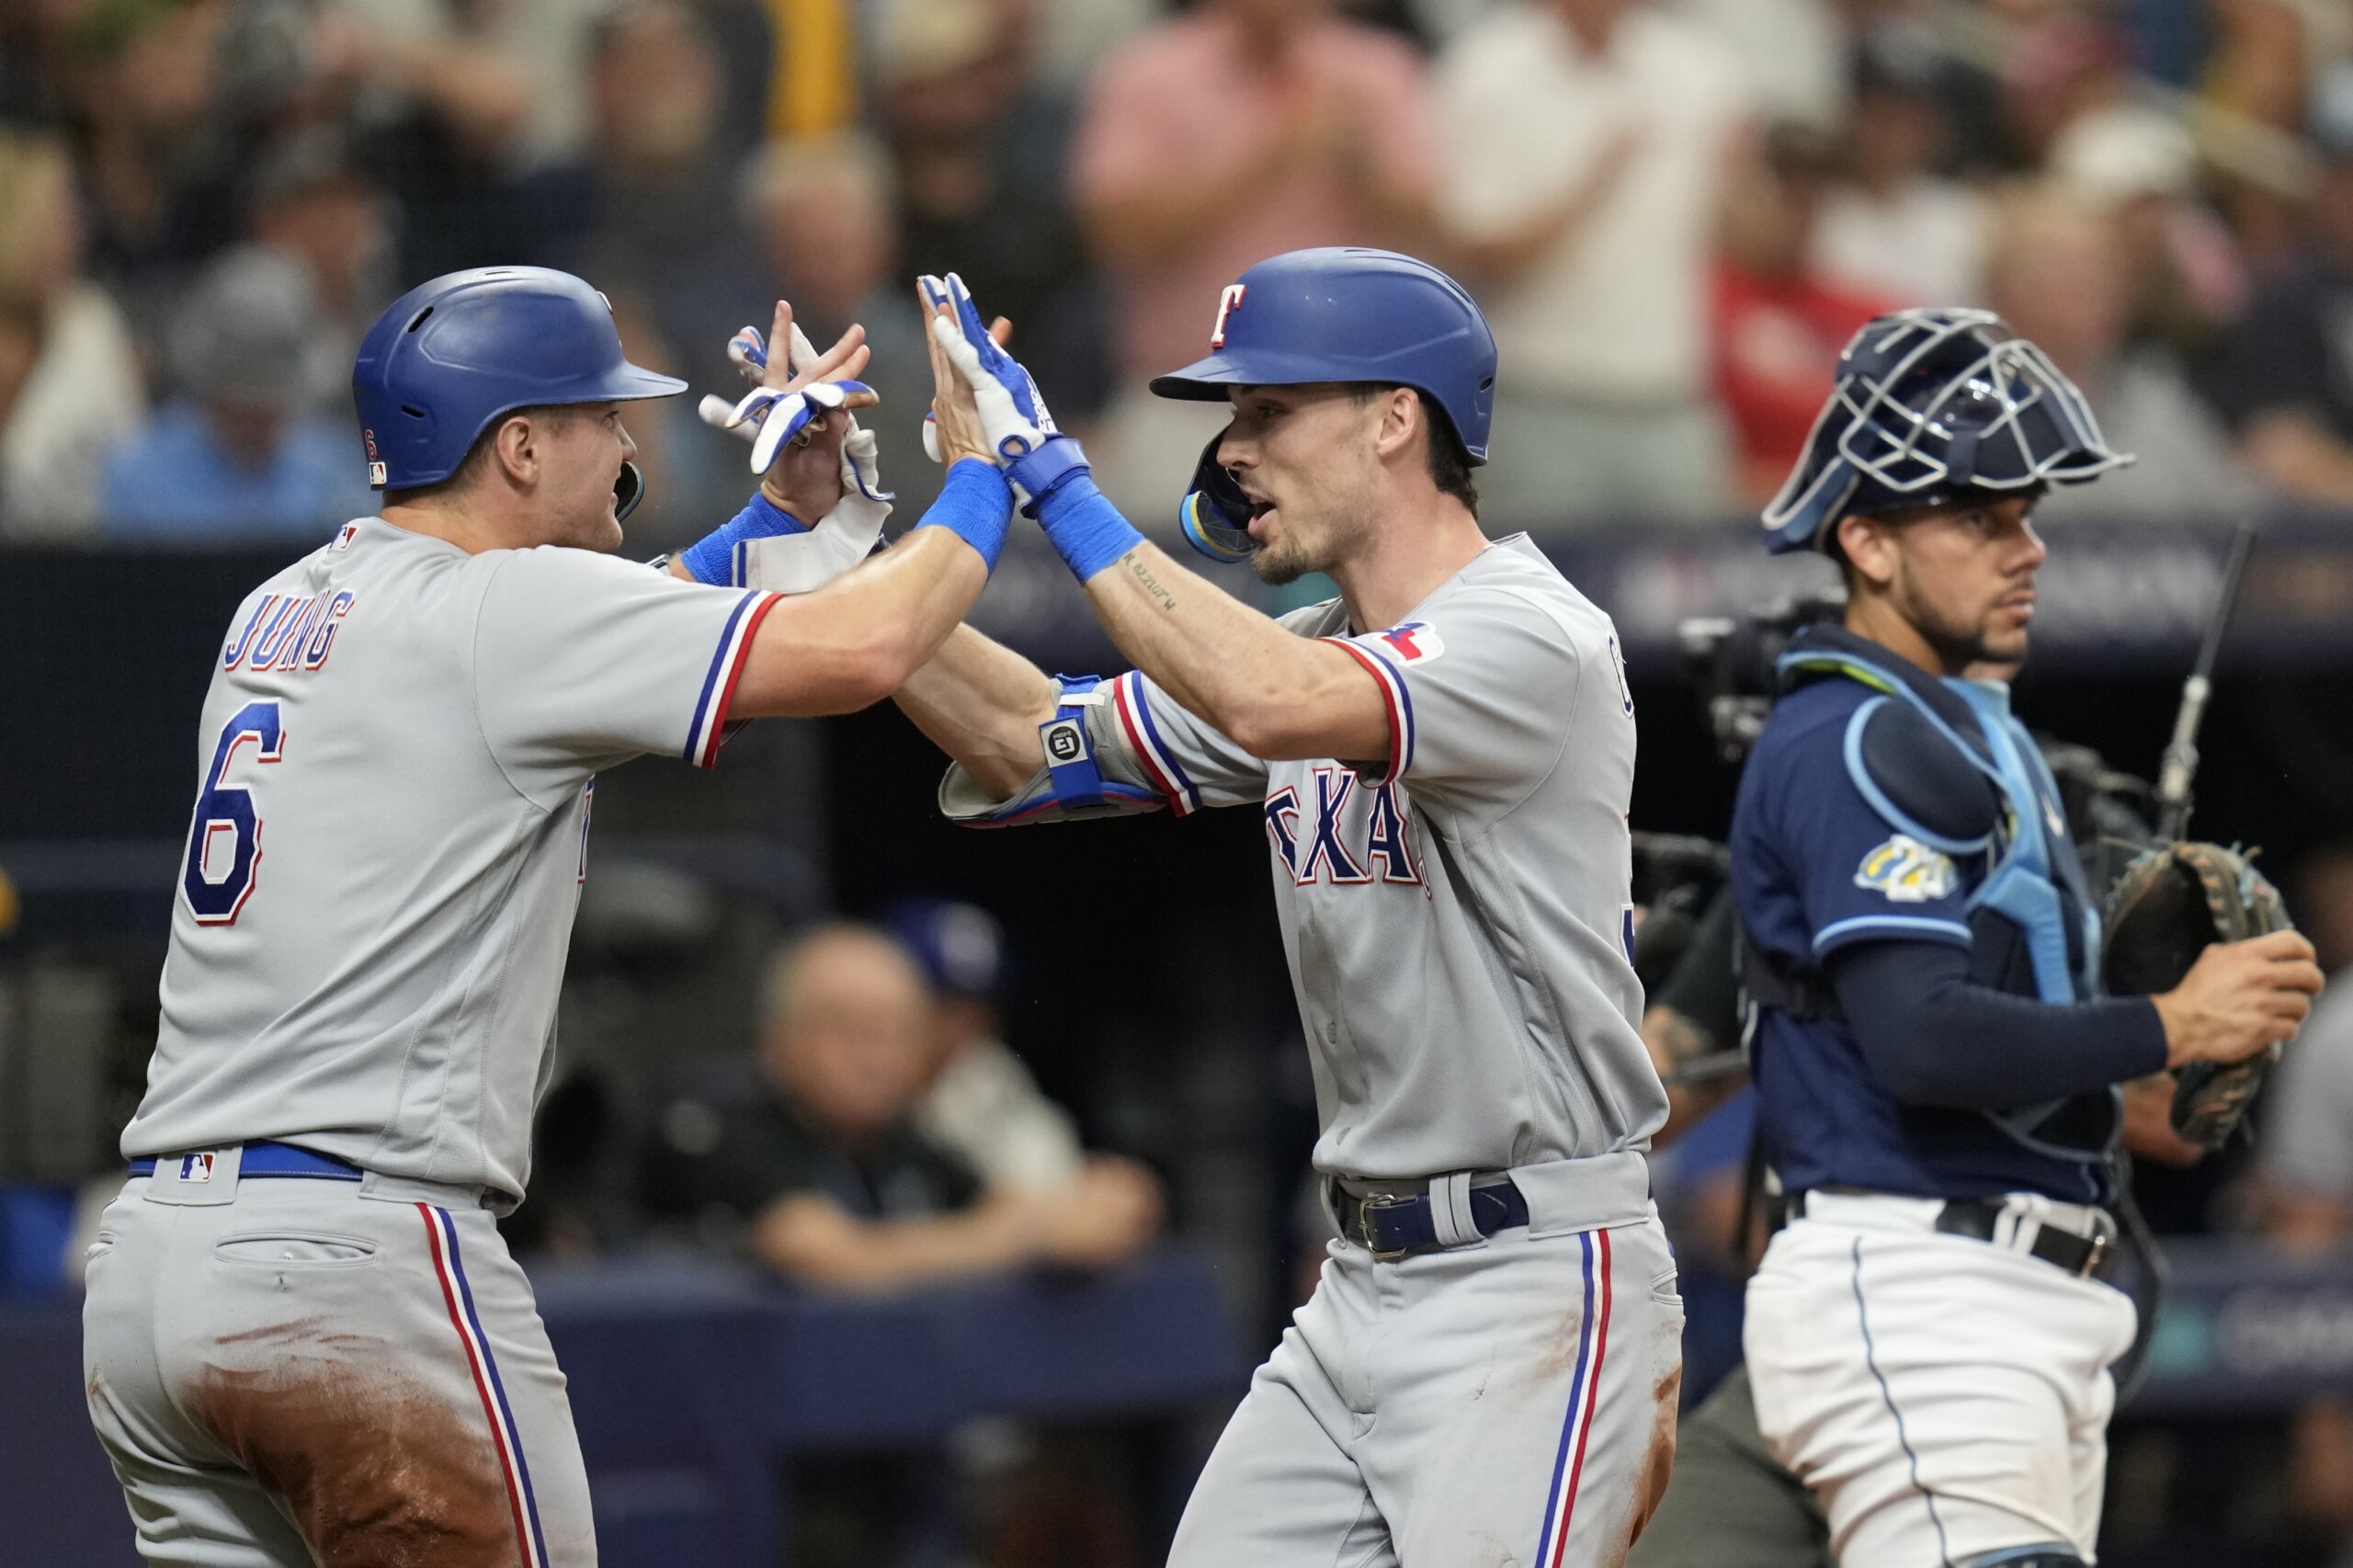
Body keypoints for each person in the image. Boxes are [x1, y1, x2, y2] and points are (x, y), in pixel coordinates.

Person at [78, 264, 1024, 1566]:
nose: (626, 447)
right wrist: (985, 472)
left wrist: (780, 518)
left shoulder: (288, 602)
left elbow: (596, 637)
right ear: (519, 445)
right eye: (600, 420)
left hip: (154, 1273)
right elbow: (858, 653)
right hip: (355, 1263)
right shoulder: (506, 613)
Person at [896, 247, 1682, 1567]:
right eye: (1234, 417)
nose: (1235, 449)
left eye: (1271, 412)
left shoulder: (1530, 634)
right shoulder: (1317, 642)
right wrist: (849, 551)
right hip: (1359, 1283)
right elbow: (1026, 740)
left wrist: (1060, 482)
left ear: (1395, 418)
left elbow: (1267, 704)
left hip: (1534, 1277)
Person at [1695, 308, 2323, 1568]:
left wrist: (2134, 1072)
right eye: (1979, 518)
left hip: (2015, 1295)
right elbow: (1919, 1039)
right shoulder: (1859, 736)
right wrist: (2172, 1018)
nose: (2026, 547)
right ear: (1865, 540)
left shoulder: (1974, 725)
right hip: (1921, 1287)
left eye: (2026, 513)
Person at [642, 921, 1158, 1290]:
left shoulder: (911, 1143)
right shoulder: (720, 1133)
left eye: (895, 1031)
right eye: (845, 1028)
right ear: (776, 1041)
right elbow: (831, 1257)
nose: (872, 1056)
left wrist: (1092, 1205)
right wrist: (1033, 1237)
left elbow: (1003, 1207)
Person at [97, 248, 378, 544]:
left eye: (273, 406)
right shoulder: (138, 480)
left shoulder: (340, 474)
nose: (259, 424)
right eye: (244, 407)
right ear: (208, 390)